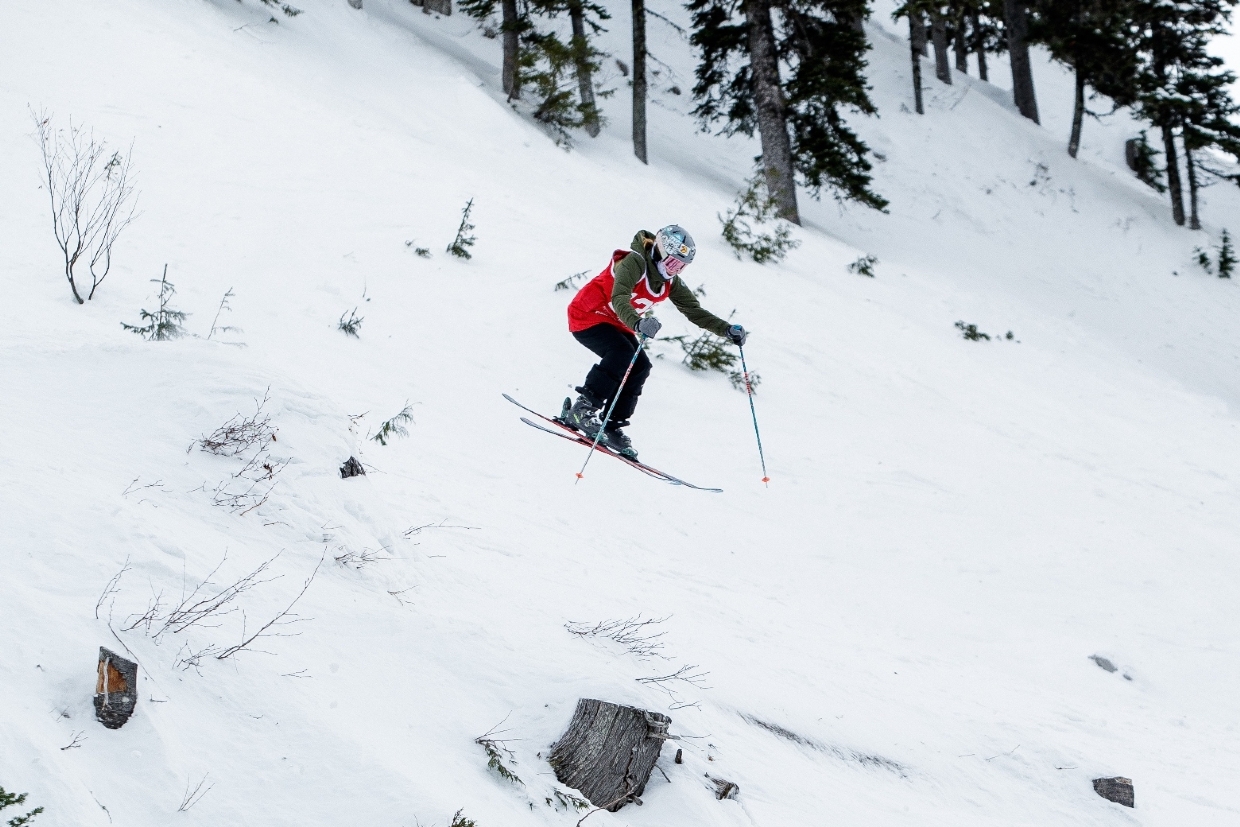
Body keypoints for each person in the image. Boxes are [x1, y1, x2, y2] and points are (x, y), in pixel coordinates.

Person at [560, 225, 747, 459]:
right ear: (659, 251)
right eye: (672, 262)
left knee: (640, 366)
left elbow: (693, 310)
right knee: (621, 353)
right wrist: (638, 323)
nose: (673, 270)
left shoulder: (670, 282)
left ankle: (612, 424)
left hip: (615, 324)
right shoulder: (634, 263)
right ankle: (582, 409)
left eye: (681, 266)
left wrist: (726, 329)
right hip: (587, 314)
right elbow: (619, 297)